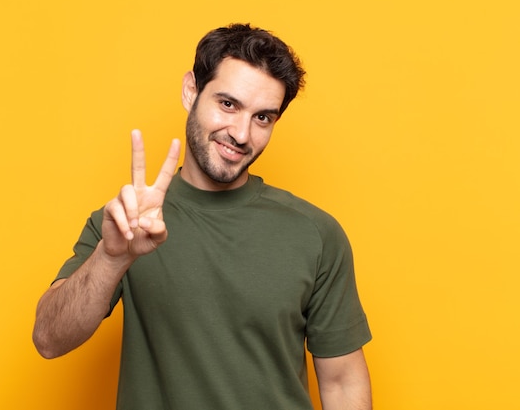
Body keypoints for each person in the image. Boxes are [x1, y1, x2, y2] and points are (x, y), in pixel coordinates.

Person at [33, 23, 372, 410]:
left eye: (263, 118)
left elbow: (343, 383)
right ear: (190, 90)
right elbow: (48, 339)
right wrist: (112, 258)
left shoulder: (315, 234)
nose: (241, 134)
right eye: (228, 104)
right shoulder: (125, 223)